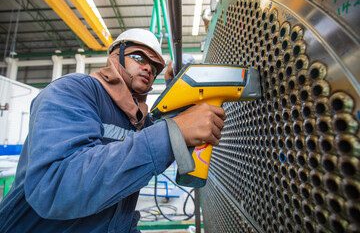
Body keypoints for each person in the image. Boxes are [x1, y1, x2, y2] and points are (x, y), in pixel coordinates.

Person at [0, 28, 225, 232]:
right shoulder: (74, 90)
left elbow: (120, 207)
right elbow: (55, 186)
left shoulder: (138, 122)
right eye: (138, 57)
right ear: (115, 56)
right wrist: (172, 132)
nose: (148, 67)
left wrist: (179, 98)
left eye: (155, 66)